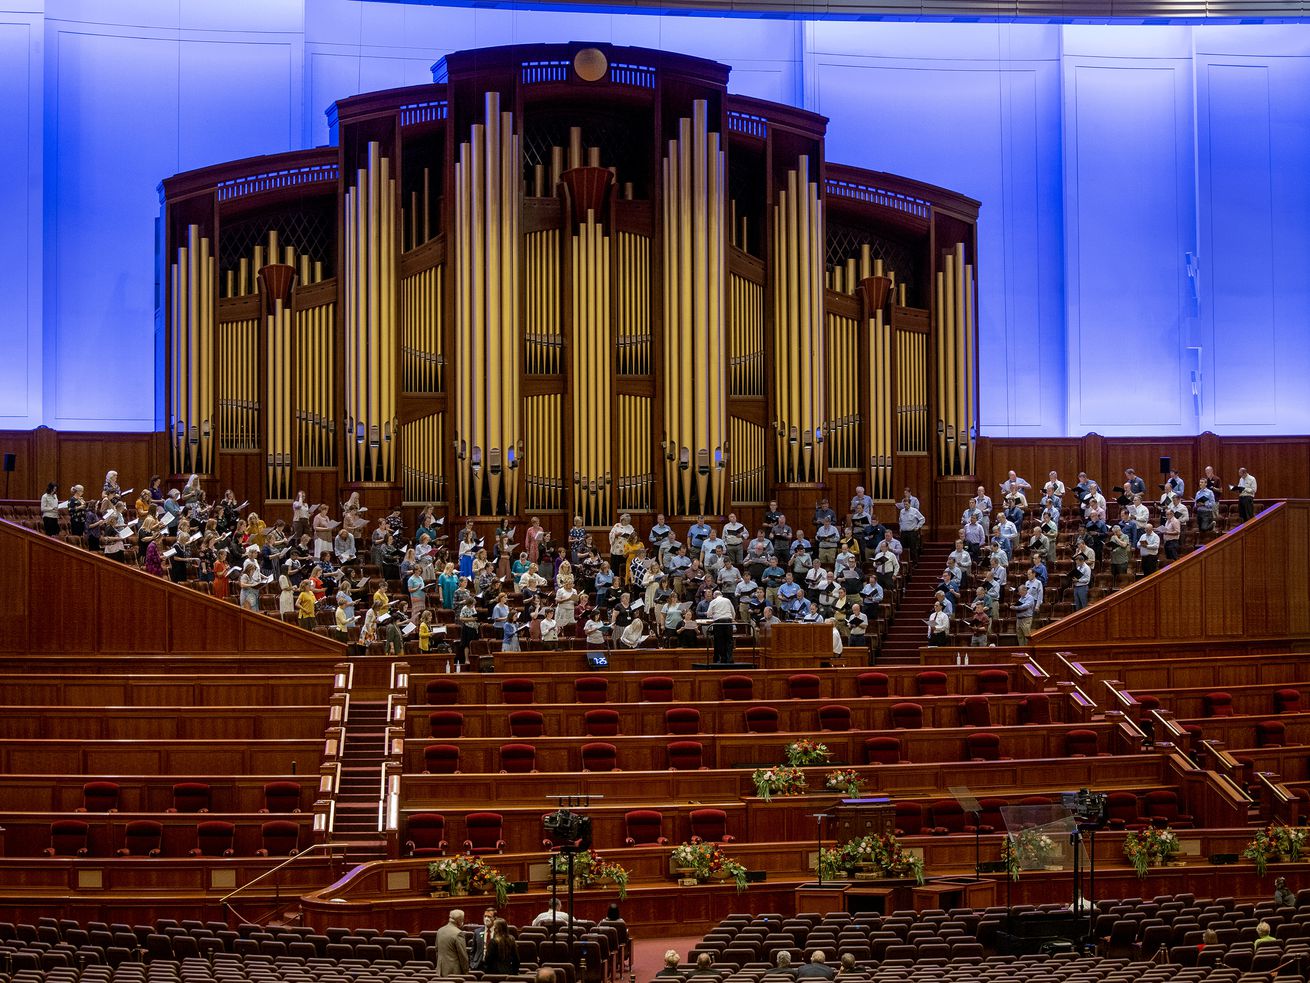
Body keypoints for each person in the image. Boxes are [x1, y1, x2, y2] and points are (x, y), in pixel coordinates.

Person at [706, 589, 736, 664]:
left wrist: (714, 615)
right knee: (729, 640)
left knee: (719, 641)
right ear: (721, 595)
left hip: (718, 622)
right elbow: (733, 612)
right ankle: (729, 658)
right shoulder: (727, 600)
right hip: (728, 622)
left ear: (714, 596)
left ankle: (722, 659)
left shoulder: (713, 601)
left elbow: (708, 614)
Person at [436, 910, 470, 975]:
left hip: (440, 971)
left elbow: (437, 950)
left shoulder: (440, 931)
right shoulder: (458, 933)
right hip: (454, 973)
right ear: (459, 920)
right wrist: (466, 972)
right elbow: (463, 956)